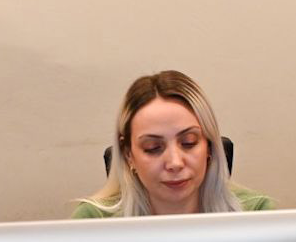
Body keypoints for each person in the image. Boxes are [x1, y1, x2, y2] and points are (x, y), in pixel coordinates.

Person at [73, 70, 273, 218]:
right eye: (153, 148)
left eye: (188, 143)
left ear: (209, 146)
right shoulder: (92, 222)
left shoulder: (257, 215)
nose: (175, 163)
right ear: (128, 155)